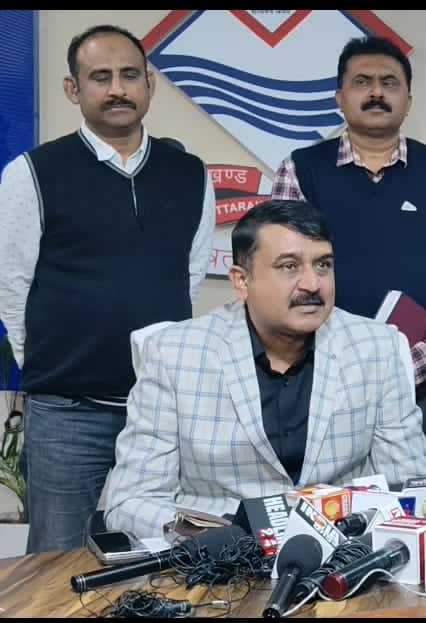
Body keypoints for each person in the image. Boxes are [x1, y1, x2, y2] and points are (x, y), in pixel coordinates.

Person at [0, 24, 216, 553]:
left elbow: (188, 275)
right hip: (67, 415)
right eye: (100, 77)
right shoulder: (34, 172)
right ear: (73, 89)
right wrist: (54, 369)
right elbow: (11, 283)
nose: (118, 89)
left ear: (149, 84)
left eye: (129, 75)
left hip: (160, 411)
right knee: (57, 562)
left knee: (160, 558)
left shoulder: (189, 173)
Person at [102, 200, 426, 539]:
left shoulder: (377, 348)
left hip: (341, 552)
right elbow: (131, 501)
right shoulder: (174, 354)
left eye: (323, 265)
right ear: (241, 281)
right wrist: (217, 537)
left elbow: (411, 489)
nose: (312, 284)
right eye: (289, 266)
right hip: (218, 554)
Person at [271, 36, 426, 476]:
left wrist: (414, 362)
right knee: (322, 507)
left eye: (389, 83)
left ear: (408, 100)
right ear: (339, 97)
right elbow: (285, 274)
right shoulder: (301, 169)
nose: (376, 93)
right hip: (317, 382)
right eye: (362, 82)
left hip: (419, 385)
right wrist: (321, 365)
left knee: (417, 507)